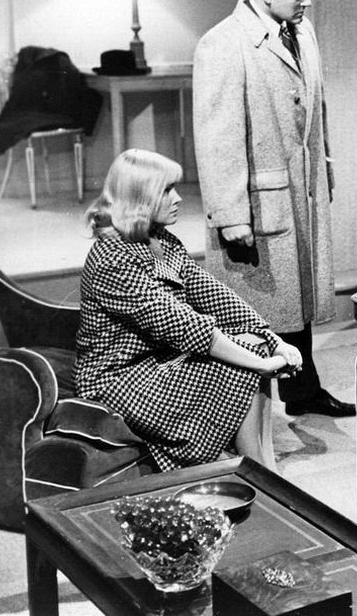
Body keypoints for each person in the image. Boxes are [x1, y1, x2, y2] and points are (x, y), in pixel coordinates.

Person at [193, 0, 354, 417]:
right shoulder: (223, 43)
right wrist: (230, 215)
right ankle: (239, 417)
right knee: (254, 308)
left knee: (295, 300)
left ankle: (303, 393)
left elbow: (317, 111)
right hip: (256, 203)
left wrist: (324, 171)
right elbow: (217, 138)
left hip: (300, 190)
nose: (307, 3)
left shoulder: (302, 32)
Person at [74, 149, 303, 473]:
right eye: (167, 190)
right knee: (249, 360)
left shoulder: (160, 239)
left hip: (160, 360)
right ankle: (254, 471)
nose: (178, 198)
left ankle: (261, 467)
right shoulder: (112, 258)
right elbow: (183, 326)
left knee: (256, 343)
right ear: (140, 197)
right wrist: (261, 363)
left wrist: (273, 340)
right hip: (120, 378)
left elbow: (215, 295)